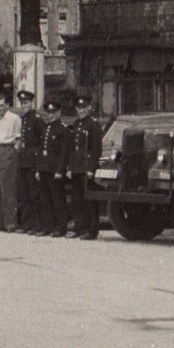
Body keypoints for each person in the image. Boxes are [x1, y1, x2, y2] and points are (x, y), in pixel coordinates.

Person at [66, 96, 103, 240]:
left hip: (86, 166)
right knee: (77, 199)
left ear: (89, 108)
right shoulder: (76, 124)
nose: (81, 110)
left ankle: (92, 229)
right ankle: (79, 227)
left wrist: (91, 168)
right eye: (78, 108)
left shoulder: (93, 125)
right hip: (76, 166)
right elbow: (72, 148)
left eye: (83, 108)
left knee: (89, 199)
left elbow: (96, 149)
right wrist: (70, 167)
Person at [35, 100, 71, 237]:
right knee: (45, 199)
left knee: (57, 199)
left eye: (53, 113)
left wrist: (60, 170)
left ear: (58, 113)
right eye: (48, 113)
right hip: (44, 168)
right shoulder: (46, 128)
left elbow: (64, 153)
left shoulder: (63, 129)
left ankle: (60, 227)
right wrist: (39, 169)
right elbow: (41, 150)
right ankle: (47, 226)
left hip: (55, 170)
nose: (50, 115)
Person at [0, 93, 23, 233]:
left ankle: (10, 223)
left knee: (7, 189)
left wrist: (13, 154)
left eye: (2, 105)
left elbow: (18, 139)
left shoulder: (14, 118)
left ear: (7, 105)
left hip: (8, 150)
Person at [16, 90, 44, 233]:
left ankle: (37, 224)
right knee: (24, 194)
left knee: (34, 194)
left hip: (33, 160)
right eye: (22, 103)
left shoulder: (37, 119)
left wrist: (39, 165)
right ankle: (26, 224)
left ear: (32, 103)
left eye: (26, 102)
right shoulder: (24, 119)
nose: (24, 105)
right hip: (23, 161)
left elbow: (42, 143)